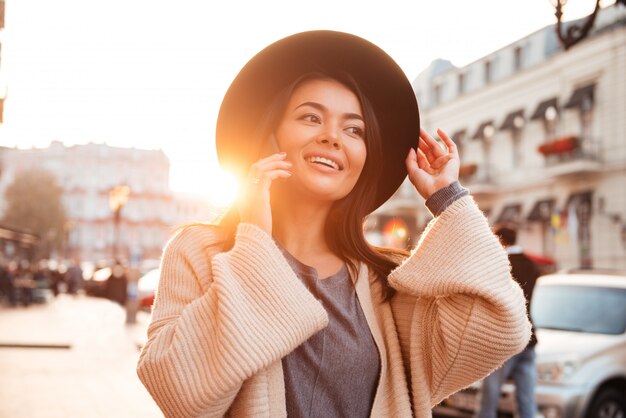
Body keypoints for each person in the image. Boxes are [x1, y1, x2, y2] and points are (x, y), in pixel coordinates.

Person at [137, 30, 531, 418]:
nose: (331, 137)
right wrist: (255, 240)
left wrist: (447, 198)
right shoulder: (200, 252)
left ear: (365, 156)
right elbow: (179, 394)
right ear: (272, 137)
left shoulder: (385, 283)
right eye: (311, 117)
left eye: (353, 129)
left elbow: (501, 325)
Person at [476, 225, 540, 418]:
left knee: (489, 398)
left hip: (505, 339)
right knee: (526, 401)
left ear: (499, 240)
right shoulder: (531, 265)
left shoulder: (500, 264)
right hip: (528, 338)